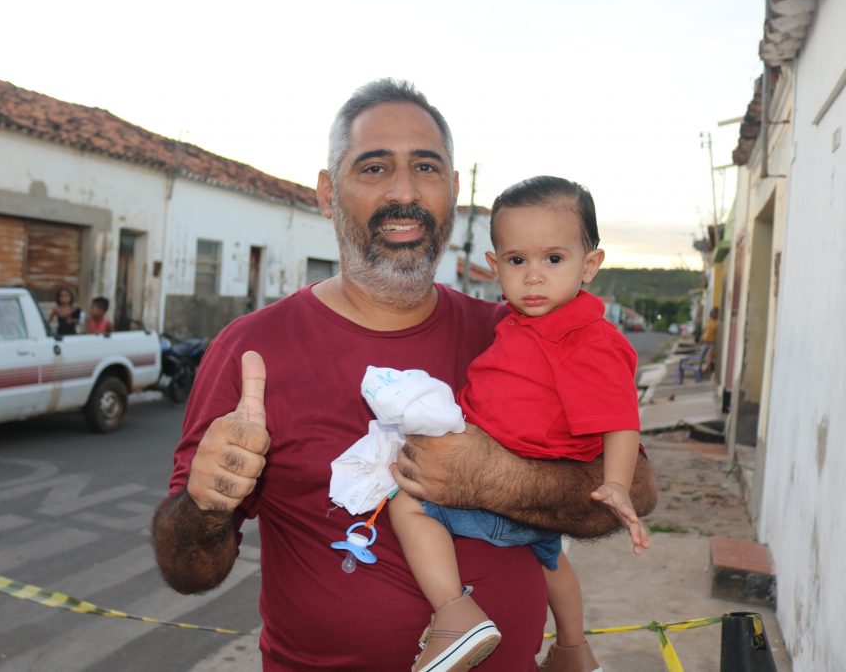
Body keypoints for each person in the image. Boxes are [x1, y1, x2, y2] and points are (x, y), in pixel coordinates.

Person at [151, 79, 656, 671]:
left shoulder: (518, 332)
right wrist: (207, 505)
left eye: (426, 168)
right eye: (373, 168)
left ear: (454, 191)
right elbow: (189, 570)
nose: (405, 192)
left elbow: (635, 491)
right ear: (327, 193)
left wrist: (491, 478)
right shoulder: (252, 350)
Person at [385, 176, 648, 672]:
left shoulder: (588, 338)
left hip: (511, 487)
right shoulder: (524, 323)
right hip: (532, 497)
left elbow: (619, 418)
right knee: (551, 558)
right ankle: (572, 649)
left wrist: (616, 485)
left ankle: (454, 613)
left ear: (590, 264)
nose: (533, 277)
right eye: (517, 260)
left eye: (554, 259)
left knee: (409, 506)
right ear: (494, 266)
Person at [700, 307, 720, 372]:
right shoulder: (708, 320)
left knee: (709, 355)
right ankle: (703, 367)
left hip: (712, 342)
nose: (714, 314)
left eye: (715, 313)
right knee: (702, 355)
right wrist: (701, 338)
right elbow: (704, 329)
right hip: (705, 341)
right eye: (713, 312)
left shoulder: (717, 322)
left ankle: (706, 368)